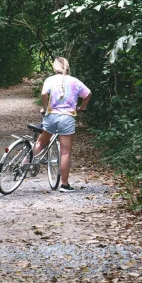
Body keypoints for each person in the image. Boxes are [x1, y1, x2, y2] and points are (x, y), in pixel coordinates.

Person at [35, 57, 91, 193]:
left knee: (41, 143)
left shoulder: (50, 80)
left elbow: (43, 93)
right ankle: (64, 185)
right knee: (65, 152)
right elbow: (88, 93)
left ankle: (23, 165)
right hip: (67, 118)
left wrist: (45, 108)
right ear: (67, 66)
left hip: (51, 116)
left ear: (55, 68)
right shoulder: (74, 81)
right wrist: (82, 107)